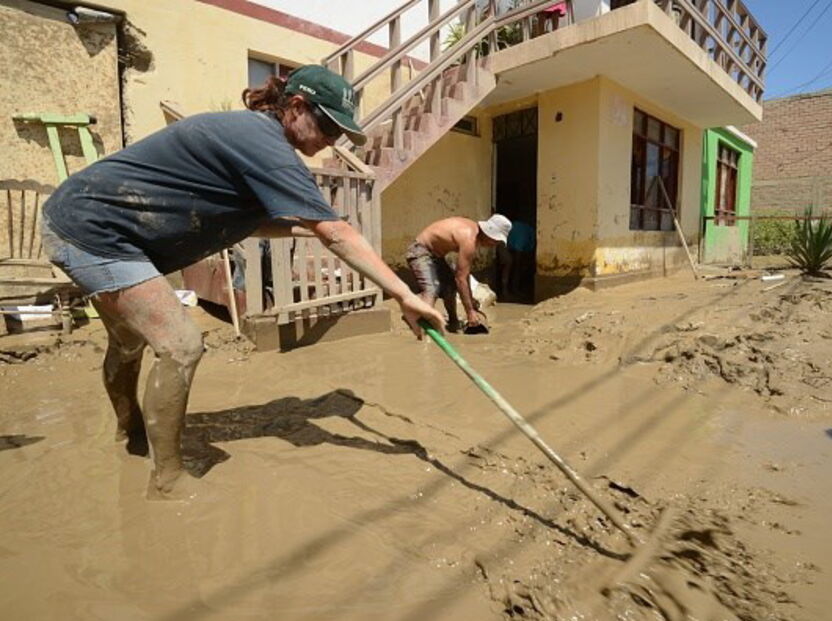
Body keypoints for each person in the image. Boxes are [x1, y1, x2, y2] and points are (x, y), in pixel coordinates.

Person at [39, 65, 444, 499]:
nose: (332, 139)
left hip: (92, 226)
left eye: (340, 133)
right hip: (93, 231)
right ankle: (168, 482)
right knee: (180, 345)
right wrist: (403, 294)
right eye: (327, 125)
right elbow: (339, 233)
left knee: (128, 342)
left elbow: (250, 222)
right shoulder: (262, 141)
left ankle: (130, 435)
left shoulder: (258, 142)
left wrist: (306, 227)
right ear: (296, 106)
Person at [405, 215, 511, 331]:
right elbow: (461, 279)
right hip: (420, 251)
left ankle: (453, 323)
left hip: (435, 255)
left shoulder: (473, 234)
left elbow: (463, 277)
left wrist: (470, 302)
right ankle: (421, 326)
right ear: (489, 233)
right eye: (496, 241)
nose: (494, 245)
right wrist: (470, 311)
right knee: (432, 289)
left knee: (450, 287)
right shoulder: (469, 239)